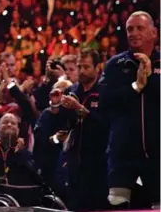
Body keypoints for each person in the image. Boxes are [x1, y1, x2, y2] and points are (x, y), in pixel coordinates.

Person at [100, 11, 160, 209]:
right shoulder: (115, 65)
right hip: (122, 155)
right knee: (117, 204)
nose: (133, 33)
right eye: (130, 29)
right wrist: (135, 87)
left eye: (140, 28)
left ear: (154, 33)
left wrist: (150, 79)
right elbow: (105, 102)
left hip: (157, 155)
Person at [60, 48, 108, 211]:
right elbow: (65, 123)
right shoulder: (71, 91)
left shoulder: (105, 91)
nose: (81, 71)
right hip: (74, 164)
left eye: (86, 67)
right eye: (79, 67)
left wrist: (80, 109)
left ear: (97, 67)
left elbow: (105, 125)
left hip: (98, 163)